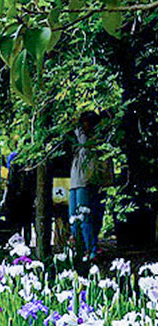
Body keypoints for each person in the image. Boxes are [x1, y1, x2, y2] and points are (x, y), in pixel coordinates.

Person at [69, 111, 108, 259]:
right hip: (75, 183)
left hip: (84, 183)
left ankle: (91, 250)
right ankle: (81, 249)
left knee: (84, 217)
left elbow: (86, 148)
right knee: (73, 218)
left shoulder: (92, 141)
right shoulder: (79, 143)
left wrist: (79, 132)